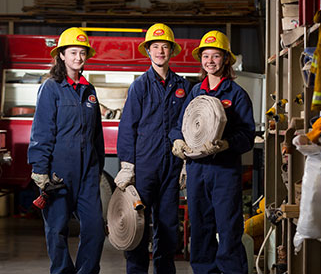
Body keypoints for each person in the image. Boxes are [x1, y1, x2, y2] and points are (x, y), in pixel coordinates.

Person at [169, 30, 255, 274]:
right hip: (197, 171)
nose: (210, 61)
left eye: (215, 56)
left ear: (226, 59)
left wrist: (226, 144)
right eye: (205, 56)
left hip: (224, 171)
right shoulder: (195, 93)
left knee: (228, 229)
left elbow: (247, 135)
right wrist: (177, 141)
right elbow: (179, 125)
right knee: (200, 228)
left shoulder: (237, 95)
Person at [114, 23, 191, 273]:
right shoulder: (140, 86)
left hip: (171, 166)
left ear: (172, 51)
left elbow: (187, 124)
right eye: (155, 46)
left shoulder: (183, 86)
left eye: (165, 46)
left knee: (168, 226)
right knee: (137, 224)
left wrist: (186, 162)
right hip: (144, 167)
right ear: (148, 51)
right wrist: (127, 165)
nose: (160, 51)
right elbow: (127, 127)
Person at [28, 27, 105, 274]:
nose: (78, 58)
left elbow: (97, 135)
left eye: (82, 53)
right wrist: (40, 169)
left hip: (88, 172)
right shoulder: (51, 88)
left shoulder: (89, 90)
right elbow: (41, 130)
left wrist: (98, 165)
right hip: (58, 173)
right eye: (73, 52)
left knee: (94, 229)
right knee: (57, 229)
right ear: (61, 55)